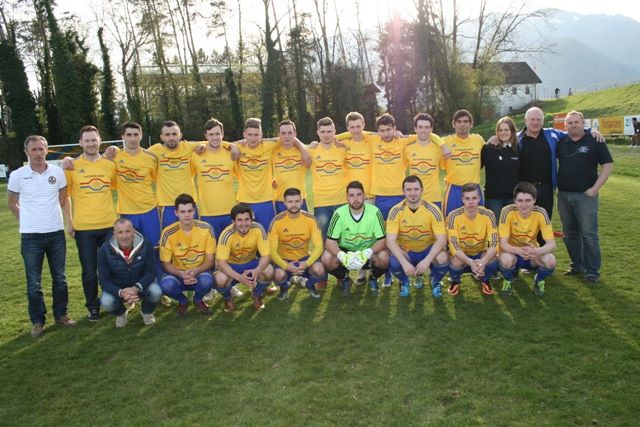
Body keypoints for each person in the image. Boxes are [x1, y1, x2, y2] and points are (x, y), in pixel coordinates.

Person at [7, 135, 77, 337]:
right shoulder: (18, 175)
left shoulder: (57, 173)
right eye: (34, 149)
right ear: (26, 152)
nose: (38, 153)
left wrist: (68, 222)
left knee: (60, 278)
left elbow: (63, 200)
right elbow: (12, 203)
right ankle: (38, 321)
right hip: (31, 237)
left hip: (55, 233)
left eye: (41, 149)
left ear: (47, 150)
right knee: (34, 282)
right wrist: (27, 220)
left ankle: (61, 315)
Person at [64, 125, 117, 321]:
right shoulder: (72, 166)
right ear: (80, 143)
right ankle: (93, 307)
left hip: (108, 226)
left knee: (111, 268)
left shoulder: (109, 165)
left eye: (94, 140)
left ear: (100, 141)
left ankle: (113, 302)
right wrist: (69, 222)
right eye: (87, 140)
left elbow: (121, 186)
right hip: (84, 228)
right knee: (89, 272)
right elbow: (66, 197)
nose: (91, 143)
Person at [557, 111, 613, 283]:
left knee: (589, 234)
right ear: (565, 125)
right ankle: (577, 265)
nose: (573, 125)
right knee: (569, 234)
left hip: (586, 196)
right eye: (570, 123)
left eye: (576, 122)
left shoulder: (594, 140)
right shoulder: (561, 142)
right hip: (563, 195)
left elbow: (608, 165)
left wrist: (595, 188)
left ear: (583, 123)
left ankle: (592, 271)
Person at [235, 118, 308, 230]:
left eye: (256, 134)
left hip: (270, 201)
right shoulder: (239, 147)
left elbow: (293, 139)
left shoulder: (270, 146)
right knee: (248, 233)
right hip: (246, 200)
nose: (253, 138)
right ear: (244, 134)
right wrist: (234, 146)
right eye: (250, 134)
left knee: (278, 232)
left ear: (261, 135)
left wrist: (303, 150)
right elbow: (221, 144)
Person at [321, 181, 389, 295]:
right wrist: (342, 255)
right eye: (351, 195)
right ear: (347, 197)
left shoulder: (374, 212)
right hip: (346, 251)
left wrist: (367, 252)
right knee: (326, 259)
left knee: (384, 257)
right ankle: (345, 279)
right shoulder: (339, 213)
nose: (355, 199)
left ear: (364, 196)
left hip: (367, 251)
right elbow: (329, 242)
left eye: (359, 194)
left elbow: (383, 240)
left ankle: (373, 278)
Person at [386, 176, 449, 298]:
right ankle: (404, 282)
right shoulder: (395, 211)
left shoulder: (433, 210)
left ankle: (435, 281)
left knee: (442, 258)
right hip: (407, 250)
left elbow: (442, 239)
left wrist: (428, 259)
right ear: (403, 191)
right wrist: (404, 263)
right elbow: (390, 241)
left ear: (422, 190)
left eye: (416, 189)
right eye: (408, 189)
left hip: (427, 249)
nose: (412, 193)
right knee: (394, 262)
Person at [97, 218, 162, 327]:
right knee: (106, 301)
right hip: (118, 288)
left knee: (156, 291)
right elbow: (104, 281)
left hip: (141, 285)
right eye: (120, 232)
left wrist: (136, 288)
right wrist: (121, 292)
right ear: (114, 234)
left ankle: (146, 312)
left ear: (133, 231)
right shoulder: (104, 250)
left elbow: (150, 273)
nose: (124, 236)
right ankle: (121, 313)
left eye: (127, 231)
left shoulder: (146, 244)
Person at [159, 194, 216, 316]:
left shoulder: (206, 229)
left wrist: (196, 271)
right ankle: (183, 301)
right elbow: (165, 263)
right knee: (166, 285)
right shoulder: (167, 233)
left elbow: (210, 260)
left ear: (194, 211)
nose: (186, 215)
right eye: (182, 212)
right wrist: (181, 274)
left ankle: (198, 299)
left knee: (207, 281)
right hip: (178, 274)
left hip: (199, 272)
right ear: (176, 213)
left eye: (189, 211)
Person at [498, 182, 557, 297]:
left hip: (532, 255)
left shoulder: (541, 212)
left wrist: (536, 251)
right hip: (513, 253)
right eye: (520, 201)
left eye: (528, 200)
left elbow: (552, 244)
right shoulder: (507, 211)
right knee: (506, 260)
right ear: (514, 201)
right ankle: (508, 280)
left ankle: (539, 280)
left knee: (550, 260)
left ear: (534, 200)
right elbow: (503, 244)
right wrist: (519, 251)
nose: (524, 205)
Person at [269, 188, 325, 300]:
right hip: (285, 259)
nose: (293, 205)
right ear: (285, 203)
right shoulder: (277, 221)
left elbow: (319, 247)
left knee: (319, 270)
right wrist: (286, 266)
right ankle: (285, 286)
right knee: (278, 276)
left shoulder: (311, 220)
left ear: (301, 202)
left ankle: (309, 284)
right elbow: (272, 251)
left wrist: (307, 263)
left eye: (296, 201)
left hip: (304, 258)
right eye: (290, 201)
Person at [215, 203, 274, 311]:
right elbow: (221, 263)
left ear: (252, 219)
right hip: (231, 266)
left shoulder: (258, 229)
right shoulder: (226, 234)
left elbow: (266, 255)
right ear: (233, 221)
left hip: (250, 263)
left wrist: (257, 271)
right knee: (219, 279)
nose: (244, 224)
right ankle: (228, 297)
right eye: (239, 220)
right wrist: (240, 278)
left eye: (247, 219)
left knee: (269, 271)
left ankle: (257, 294)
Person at [446, 183, 500, 296]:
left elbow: (494, 243)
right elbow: (453, 245)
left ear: (479, 199)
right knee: (455, 262)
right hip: (462, 254)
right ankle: (455, 281)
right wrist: (470, 262)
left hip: (480, 252)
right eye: (467, 198)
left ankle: (485, 280)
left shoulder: (488, 214)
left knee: (493, 259)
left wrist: (483, 261)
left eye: (474, 198)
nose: (471, 202)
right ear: (462, 199)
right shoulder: (453, 216)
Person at [148, 121, 201, 229]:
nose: (171, 138)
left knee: (194, 235)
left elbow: (212, 142)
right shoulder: (155, 150)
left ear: (180, 135)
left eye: (174, 134)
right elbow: (136, 153)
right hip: (167, 206)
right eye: (167, 135)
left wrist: (232, 145)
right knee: (170, 236)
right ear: (162, 137)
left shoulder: (188, 147)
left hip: (189, 204)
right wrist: (116, 150)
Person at [192, 118, 236, 239]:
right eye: (211, 134)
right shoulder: (196, 155)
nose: (215, 137)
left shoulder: (231, 154)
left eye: (217, 134)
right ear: (205, 135)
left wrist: (231, 145)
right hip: (207, 213)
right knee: (211, 248)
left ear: (222, 134)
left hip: (230, 211)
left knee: (230, 247)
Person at [308, 117, 347, 237]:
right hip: (321, 202)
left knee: (343, 238)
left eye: (329, 131)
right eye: (323, 132)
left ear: (334, 132)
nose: (326, 135)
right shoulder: (311, 151)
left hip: (341, 200)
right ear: (318, 132)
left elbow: (357, 133)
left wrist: (338, 138)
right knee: (322, 238)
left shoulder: (342, 149)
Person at [442, 109, 485, 217]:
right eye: (459, 121)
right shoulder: (446, 141)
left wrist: (494, 138)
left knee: (477, 221)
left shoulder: (478, 140)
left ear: (471, 124)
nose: (462, 124)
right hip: (454, 189)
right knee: (450, 221)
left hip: (474, 189)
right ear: (453, 124)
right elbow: (427, 137)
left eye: (466, 121)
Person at [405, 112, 447, 209]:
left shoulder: (439, 149)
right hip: (414, 198)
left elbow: (447, 168)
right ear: (415, 129)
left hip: (434, 198)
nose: (423, 130)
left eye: (427, 127)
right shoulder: (407, 149)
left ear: (431, 129)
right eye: (420, 127)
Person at [481, 116, 520, 221]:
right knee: (495, 228)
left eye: (506, 130)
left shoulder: (518, 148)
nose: (503, 133)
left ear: (512, 131)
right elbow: (476, 167)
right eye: (500, 130)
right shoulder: (488, 148)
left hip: (513, 197)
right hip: (493, 199)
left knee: (512, 228)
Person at [272, 120, 309, 214]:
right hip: (281, 200)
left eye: (290, 133)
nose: (287, 136)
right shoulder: (272, 152)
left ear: (295, 134)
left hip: (300, 200)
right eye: (283, 133)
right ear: (278, 135)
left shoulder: (305, 151)